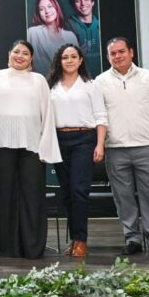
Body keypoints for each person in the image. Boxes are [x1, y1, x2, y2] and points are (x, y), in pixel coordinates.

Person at [0, 40, 61, 260]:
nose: (19, 56)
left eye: (25, 53)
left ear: (31, 58)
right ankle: (0, 246)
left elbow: (47, 115)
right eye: (16, 51)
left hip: (32, 147)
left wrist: (46, 147)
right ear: (9, 54)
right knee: (1, 196)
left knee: (31, 197)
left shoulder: (38, 81)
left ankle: (32, 246)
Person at [95, 37, 149, 257]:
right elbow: (99, 115)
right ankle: (132, 239)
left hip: (146, 146)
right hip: (115, 148)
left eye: (121, 52)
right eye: (113, 53)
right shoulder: (100, 81)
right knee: (123, 196)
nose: (117, 56)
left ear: (131, 52)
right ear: (108, 56)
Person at [47, 43, 107, 258]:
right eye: (65, 57)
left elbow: (101, 117)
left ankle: (81, 241)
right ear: (59, 61)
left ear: (81, 60)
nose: (69, 60)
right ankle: (73, 239)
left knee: (79, 191)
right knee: (67, 194)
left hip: (84, 139)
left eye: (74, 56)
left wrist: (100, 144)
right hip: (59, 140)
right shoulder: (51, 86)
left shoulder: (91, 85)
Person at [26, 0, 79, 77]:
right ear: (38, 13)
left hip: (67, 82)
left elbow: (77, 64)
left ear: (56, 8)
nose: (47, 11)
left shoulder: (70, 36)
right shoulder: (33, 32)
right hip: (43, 83)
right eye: (41, 9)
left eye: (50, 6)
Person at [65, 0, 102, 73]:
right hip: (78, 75)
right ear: (73, 4)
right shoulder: (67, 26)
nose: (83, 4)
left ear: (92, 2)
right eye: (78, 1)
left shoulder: (101, 25)